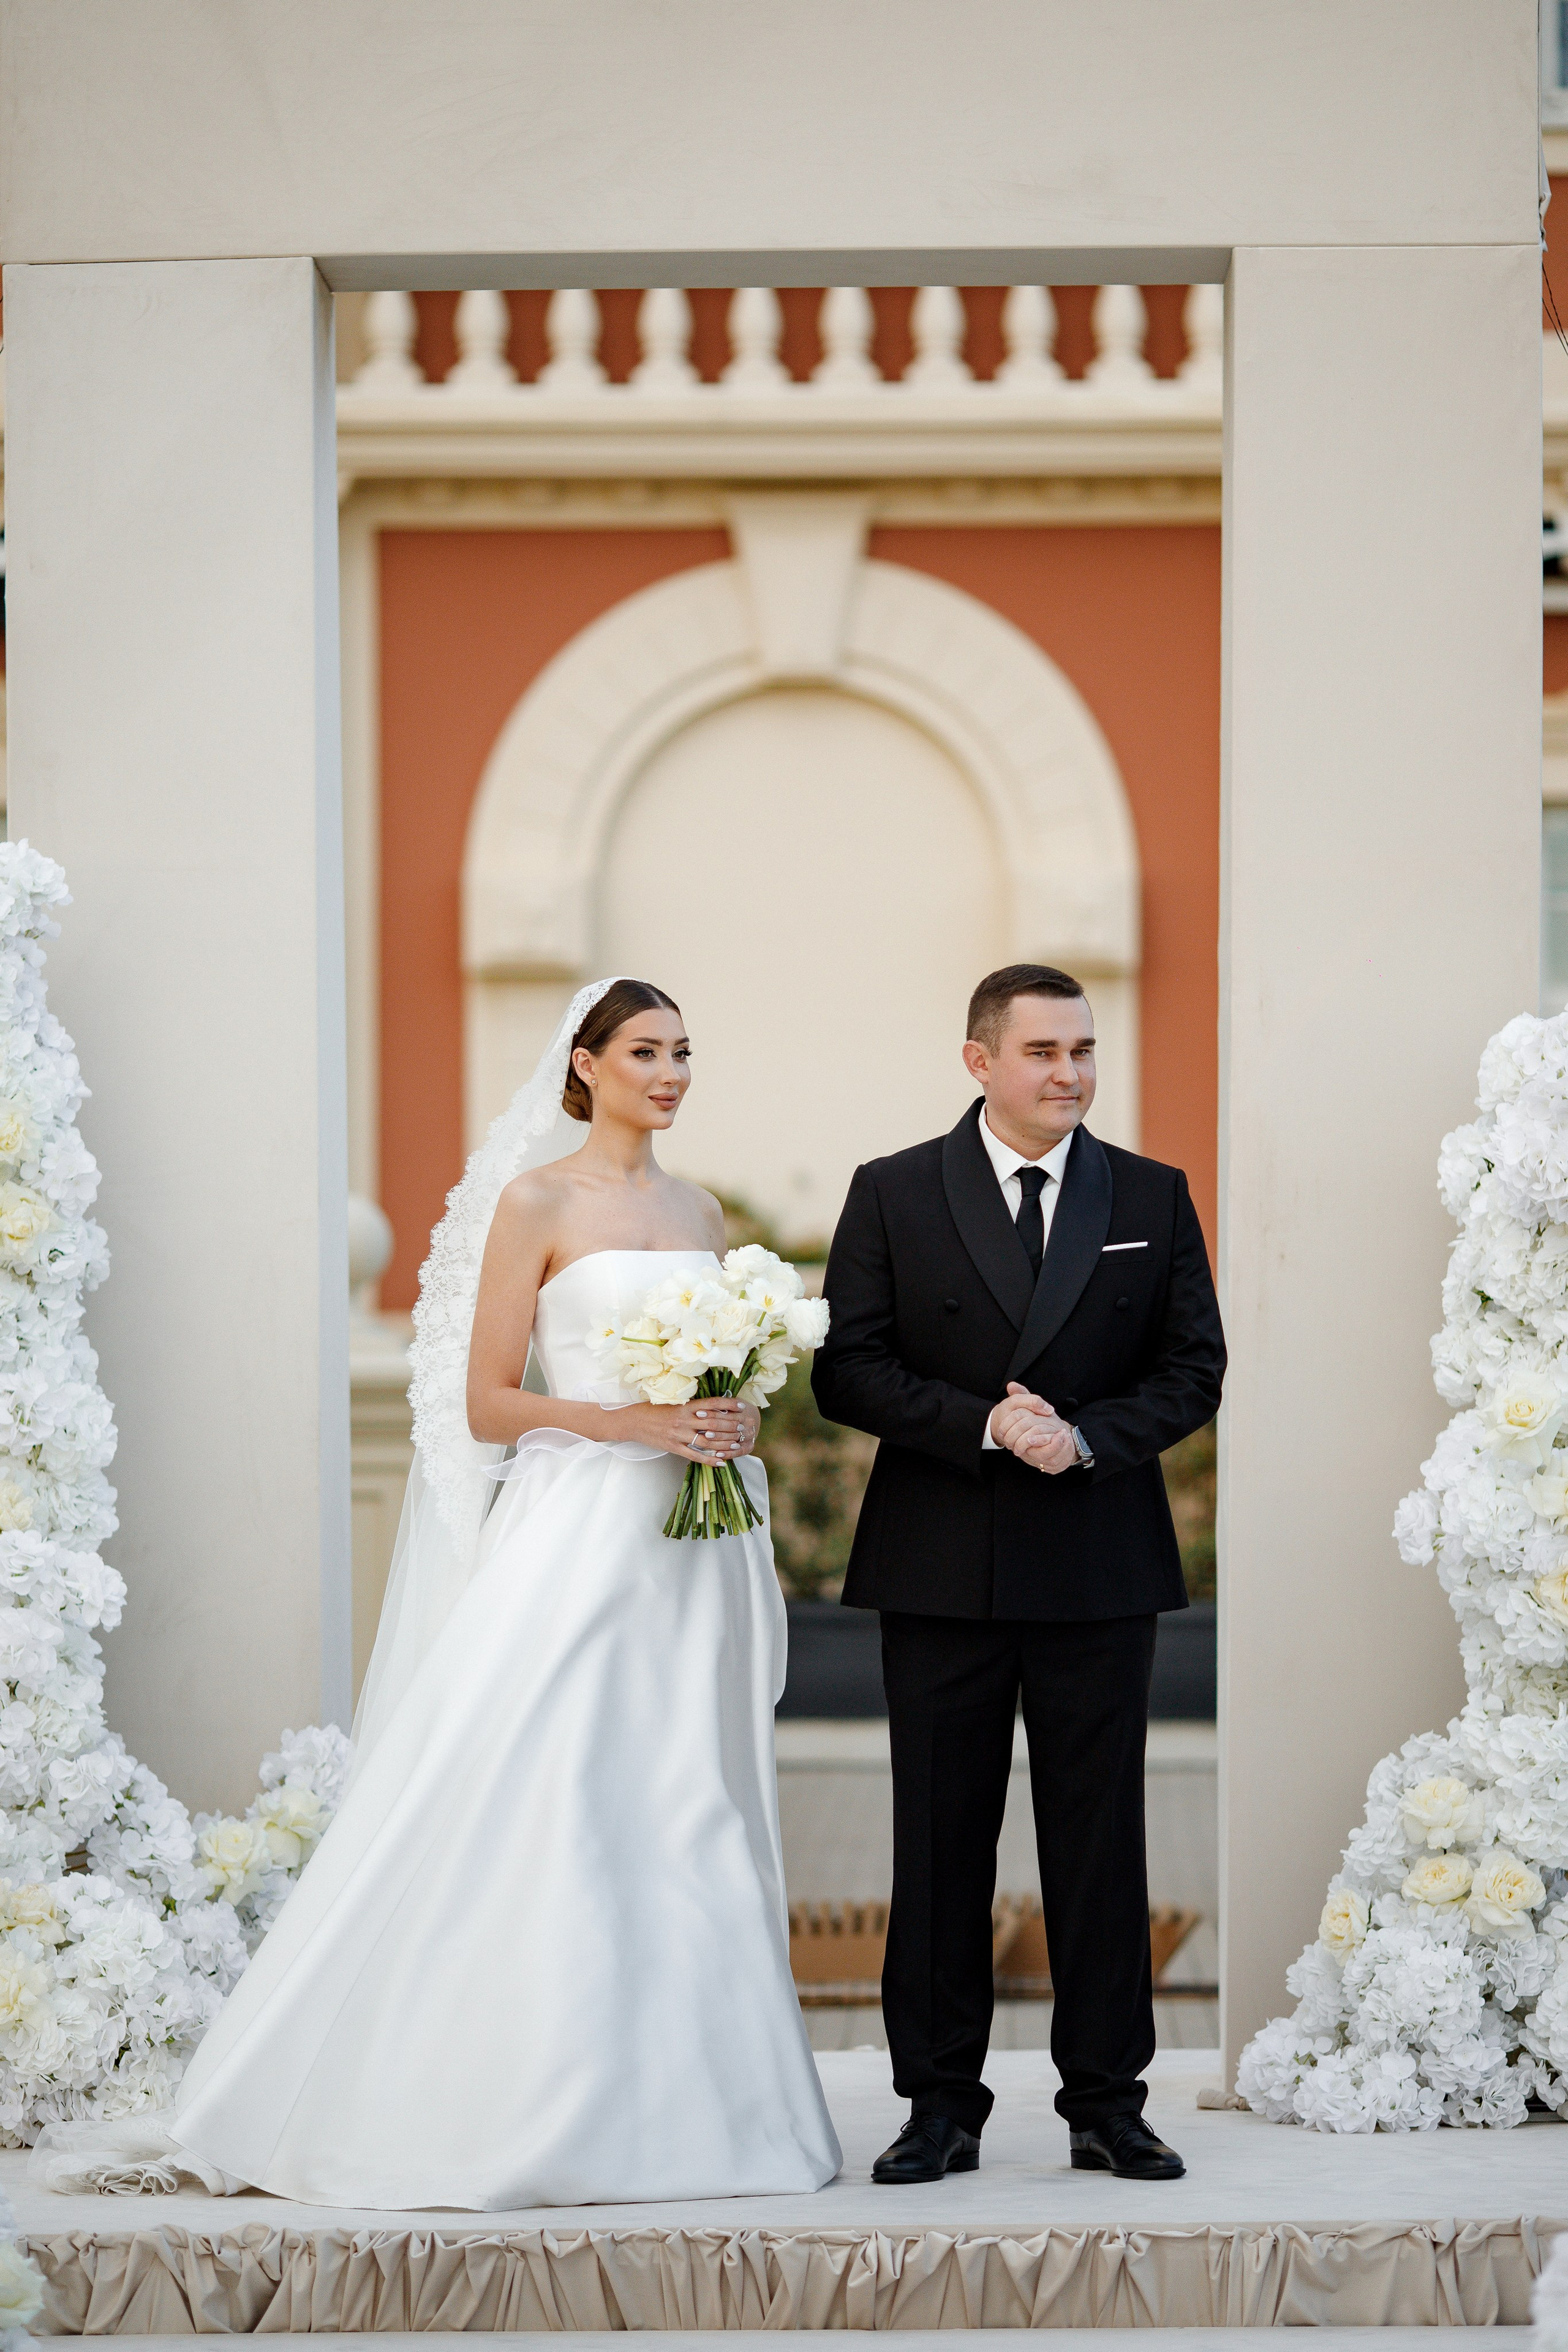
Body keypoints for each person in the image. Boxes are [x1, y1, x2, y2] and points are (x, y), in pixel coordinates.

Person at [36, 978, 840, 2209]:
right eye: (644, 1051)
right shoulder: (538, 1200)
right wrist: (628, 1421)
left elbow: (721, 1365)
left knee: (689, 1797)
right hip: (583, 1536)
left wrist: (725, 1409)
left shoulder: (698, 1207)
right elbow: (487, 1403)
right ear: (584, 1064)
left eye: (683, 1051)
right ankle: (509, 2098)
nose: (670, 1072)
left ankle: (702, 2114)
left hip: (698, 1546)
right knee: (558, 1790)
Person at [812, 963, 1224, 2186]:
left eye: (1083, 1051)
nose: (1069, 1074)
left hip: (1096, 1563)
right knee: (937, 1843)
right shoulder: (891, 1192)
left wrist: (1084, 1437)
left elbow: (1191, 1370)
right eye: (1042, 1051)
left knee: (1098, 1846)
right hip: (939, 1566)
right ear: (978, 1060)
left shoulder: (1150, 1192)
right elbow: (848, 1370)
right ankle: (937, 2105)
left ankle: (1106, 2103)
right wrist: (988, 1426)